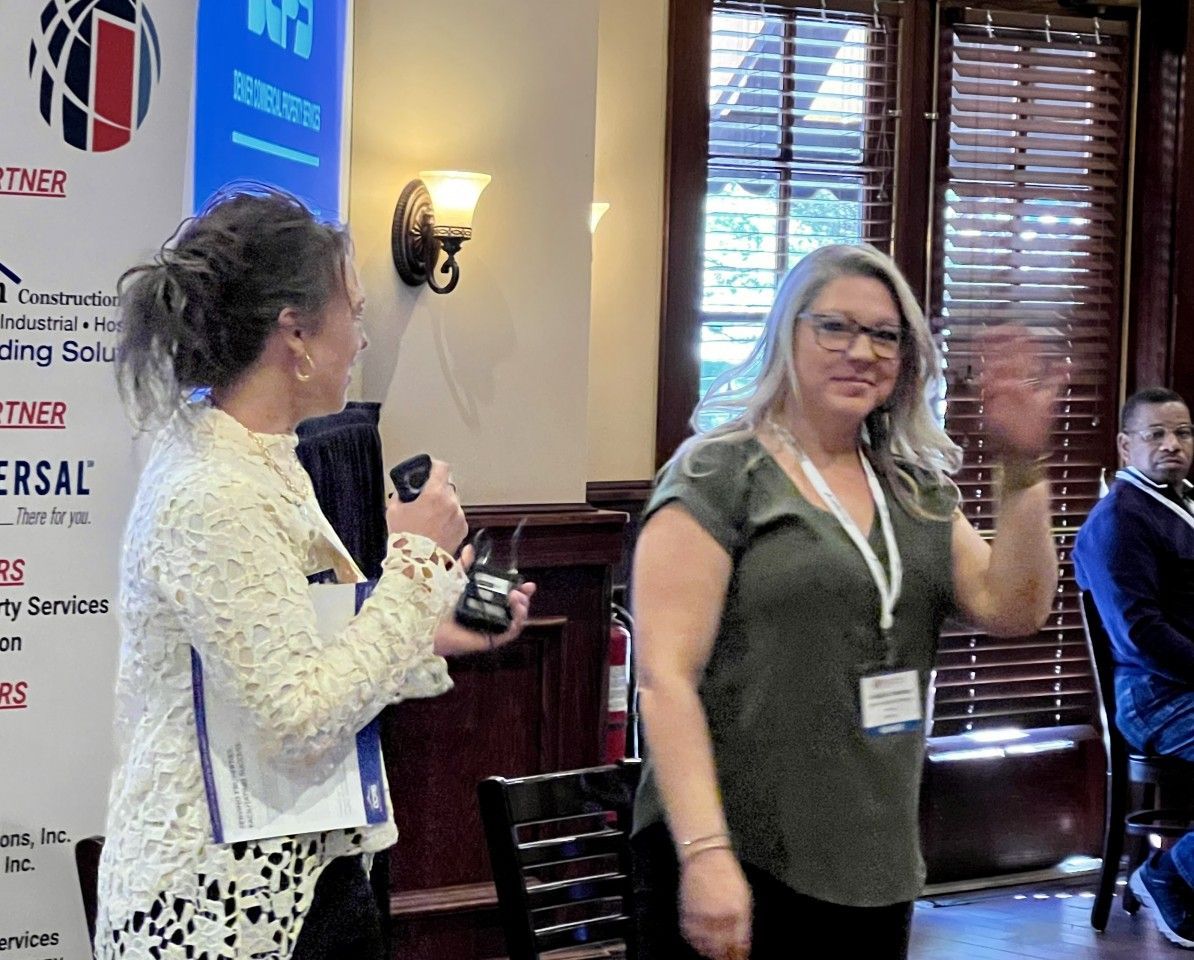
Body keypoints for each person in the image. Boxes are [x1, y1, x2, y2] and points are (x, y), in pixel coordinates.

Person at [94, 185, 536, 960]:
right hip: (217, 904)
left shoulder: (262, 458)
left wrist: (433, 634)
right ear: (294, 333)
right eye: (355, 313)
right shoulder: (214, 489)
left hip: (302, 875)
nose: (362, 338)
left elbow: (300, 659)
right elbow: (296, 719)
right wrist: (418, 559)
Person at [629, 244, 1058, 960]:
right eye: (835, 327)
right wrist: (706, 854)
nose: (862, 351)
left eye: (885, 335)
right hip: (736, 852)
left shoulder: (914, 489)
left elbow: (1012, 607)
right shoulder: (717, 472)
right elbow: (664, 678)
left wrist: (1020, 467)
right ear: (787, 333)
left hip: (872, 862)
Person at [1074, 386, 1194, 949]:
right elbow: (1141, 635)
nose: (1172, 445)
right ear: (1126, 446)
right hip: (1155, 696)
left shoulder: (1183, 502)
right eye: (1157, 435)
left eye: (1184, 433)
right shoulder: (1120, 520)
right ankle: (1164, 875)